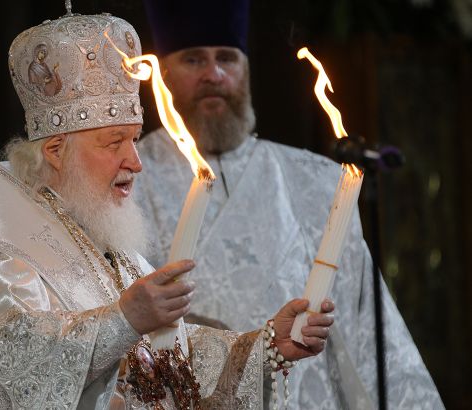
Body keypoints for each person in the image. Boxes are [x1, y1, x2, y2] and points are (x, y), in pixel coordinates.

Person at [0, 8, 336, 410]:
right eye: (113, 143)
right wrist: (121, 321)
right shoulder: (3, 255)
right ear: (56, 151)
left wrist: (265, 347)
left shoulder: (115, 251)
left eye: (135, 139)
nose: (135, 161)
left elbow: (168, 360)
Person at [135, 1, 444, 409]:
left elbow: (364, 328)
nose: (214, 74)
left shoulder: (314, 178)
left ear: (246, 70)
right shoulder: (130, 177)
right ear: (165, 72)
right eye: (194, 59)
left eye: (226, 58)